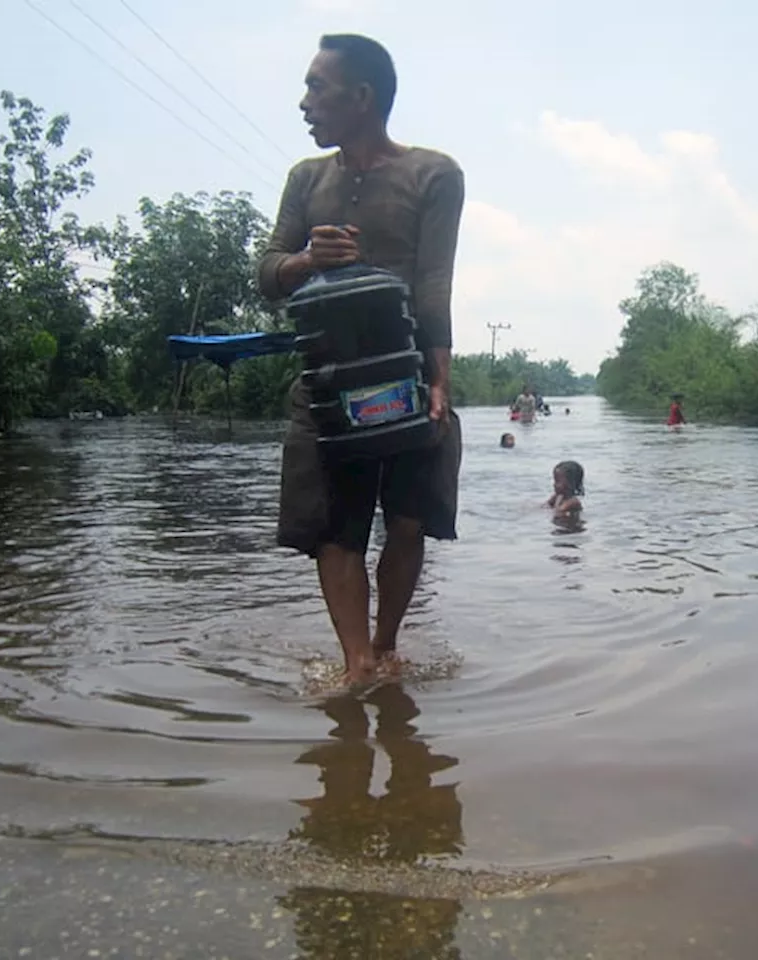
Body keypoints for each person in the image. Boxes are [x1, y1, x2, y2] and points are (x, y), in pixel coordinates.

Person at [257, 34, 465, 687]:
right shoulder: (305, 179)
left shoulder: (433, 175)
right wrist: (304, 262)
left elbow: (433, 284)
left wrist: (439, 384)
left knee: (406, 524)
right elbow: (266, 274)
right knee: (334, 530)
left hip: (401, 380)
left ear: (362, 96)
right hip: (325, 382)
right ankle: (357, 666)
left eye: (317, 87)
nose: (305, 102)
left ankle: (385, 644)